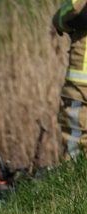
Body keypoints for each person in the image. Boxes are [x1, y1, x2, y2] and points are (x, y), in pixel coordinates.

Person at [55, 1, 87, 159]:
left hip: (82, 81)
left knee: (76, 139)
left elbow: (73, 6)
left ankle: (74, 179)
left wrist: (58, 20)